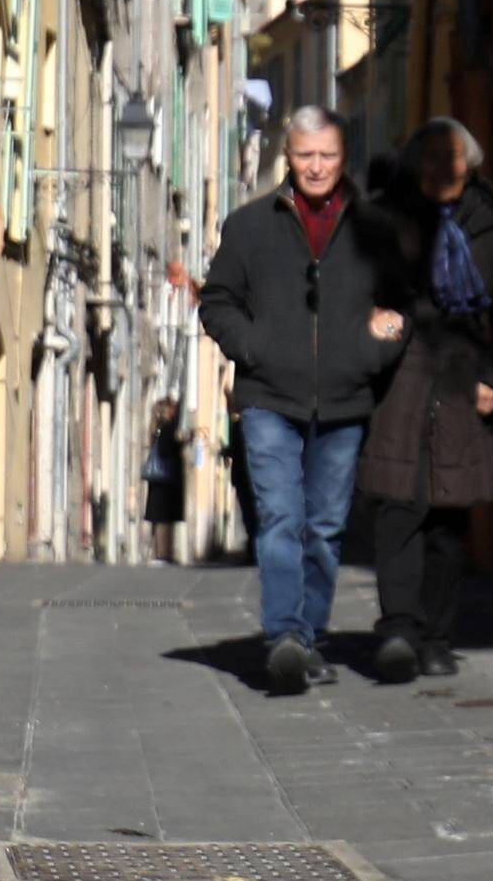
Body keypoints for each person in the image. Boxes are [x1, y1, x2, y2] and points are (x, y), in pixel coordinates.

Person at [194, 106, 403, 687]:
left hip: (345, 401)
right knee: (281, 517)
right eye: (305, 155)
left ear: (344, 158)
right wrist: (254, 347)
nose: (316, 167)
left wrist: (375, 347)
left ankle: (308, 639)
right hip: (268, 398)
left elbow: (401, 304)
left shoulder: (375, 229)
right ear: (288, 156)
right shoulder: (250, 226)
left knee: (327, 526)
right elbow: (216, 302)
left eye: (328, 155)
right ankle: (284, 634)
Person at [353, 117, 493, 681]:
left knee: (448, 519)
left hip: (461, 380)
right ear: (413, 164)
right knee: (398, 508)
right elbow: (351, 291)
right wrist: (371, 322)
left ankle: (436, 637)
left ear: (470, 164)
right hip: (399, 379)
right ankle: (399, 630)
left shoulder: (487, 229)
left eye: (451, 157)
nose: (440, 167)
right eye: (429, 157)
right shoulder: (384, 219)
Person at [138, 398, 192, 564]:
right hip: (165, 479)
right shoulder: (167, 429)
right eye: (171, 409)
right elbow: (167, 450)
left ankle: (160, 552)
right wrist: (182, 443)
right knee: (164, 519)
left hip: (158, 481)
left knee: (160, 519)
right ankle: (163, 553)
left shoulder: (157, 429)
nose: (174, 412)